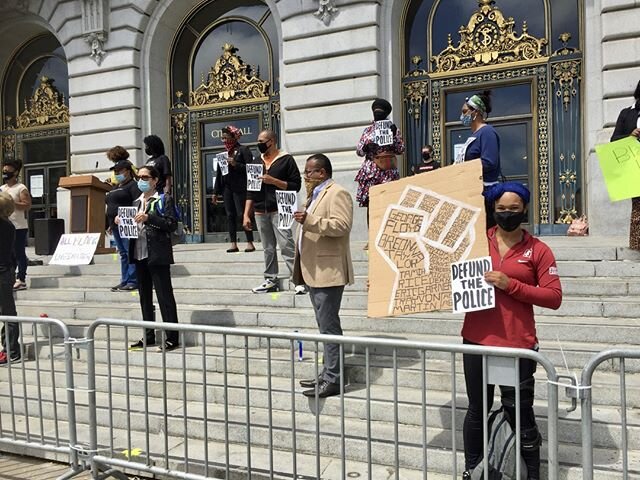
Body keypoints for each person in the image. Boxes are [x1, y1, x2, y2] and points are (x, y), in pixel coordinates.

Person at [460, 182, 562, 480]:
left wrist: (511, 285)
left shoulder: (538, 250)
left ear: (525, 209)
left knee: (520, 413)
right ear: (492, 209)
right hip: (476, 341)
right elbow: (439, 275)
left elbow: (554, 297)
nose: (507, 214)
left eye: (514, 209)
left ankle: (531, 473)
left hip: (517, 345)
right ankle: (473, 469)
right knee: (477, 409)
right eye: (501, 209)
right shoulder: (475, 241)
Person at [293, 154, 354, 398]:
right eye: (305, 171)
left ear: (322, 172)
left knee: (329, 327)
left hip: (328, 271)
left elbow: (342, 225)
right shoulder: (315, 194)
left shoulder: (337, 192)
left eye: (309, 171)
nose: (305, 176)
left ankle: (334, 378)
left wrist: (310, 220)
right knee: (323, 325)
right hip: (313, 271)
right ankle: (328, 372)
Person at [123, 165, 180, 352]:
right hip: (139, 254)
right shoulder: (135, 202)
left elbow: (171, 224)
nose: (141, 180)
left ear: (155, 180)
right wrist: (122, 221)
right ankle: (149, 334)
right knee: (144, 297)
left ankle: (172, 336)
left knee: (164, 296)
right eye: (139, 177)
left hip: (157, 253)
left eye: (145, 177)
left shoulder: (164, 199)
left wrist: (149, 218)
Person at [243, 130, 303, 294]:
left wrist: (273, 181)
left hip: (280, 209)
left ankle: (298, 279)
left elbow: (296, 185)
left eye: (262, 140)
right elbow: (250, 189)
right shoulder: (256, 161)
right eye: (258, 140)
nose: (259, 143)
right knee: (268, 248)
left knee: (286, 244)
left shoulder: (286, 160)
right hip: (260, 211)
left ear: (272, 141)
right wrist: (246, 213)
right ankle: (270, 279)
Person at [355, 98, 405, 227]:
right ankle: (371, 234)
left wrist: (394, 136)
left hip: (388, 170)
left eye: (380, 111)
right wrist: (366, 147)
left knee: (388, 202)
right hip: (371, 170)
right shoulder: (367, 131)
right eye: (375, 111)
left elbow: (400, 149)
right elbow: (359, 151)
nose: (377, 114)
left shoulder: (394, 129)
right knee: (371, 204)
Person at [455, 90, 501, 229]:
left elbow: (490, 162)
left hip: (485, 193)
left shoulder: (487, 132)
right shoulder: (475, 135)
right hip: (474, 191)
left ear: (475, 112)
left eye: (464, 111)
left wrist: (465, 169)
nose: (462, 116)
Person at [212, 125, 256, 253]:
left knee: (242, 214)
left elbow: (251, 168)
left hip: (240, 188)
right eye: (222, 138)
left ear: (233, 136)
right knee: (230, 215)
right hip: (227, 188)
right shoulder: (223, 154)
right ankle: (233, 243)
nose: (224, 140)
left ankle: (250, 242)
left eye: (226, 138)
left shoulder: (243, 150)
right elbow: (219, 174)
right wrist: (215, 192)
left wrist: (235, 164)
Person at [610, 80, 640, 250]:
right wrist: (631, 135)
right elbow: (614, 139)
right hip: (634, 166)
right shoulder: (626, 114)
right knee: (638, 208)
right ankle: (637, 245)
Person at [105, 152, 141, 292]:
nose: (117, 173)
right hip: (115, 225)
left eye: (119, 171)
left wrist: (127, 218)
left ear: (127, 171)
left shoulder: (133, 186)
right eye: (115, 171)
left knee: (129, 251)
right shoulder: (115, 187)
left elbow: (137, 204)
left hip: (127, 224)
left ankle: (133, 280)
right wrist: (109, 224)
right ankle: (125, 279)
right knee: (123, 253)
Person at [1, 160, 31, 291]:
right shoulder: (2, 188)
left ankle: (21, 279)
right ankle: (10, 278)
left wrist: (12, 203)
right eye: (3, 172)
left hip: (19, 226)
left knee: (19, 253)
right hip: (4, 224)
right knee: (8, 253)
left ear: (16, 172)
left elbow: (27, 205)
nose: (5, 174)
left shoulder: (21, 188)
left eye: (7, 172)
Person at [0, 192, 20, 364]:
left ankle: (11, 350)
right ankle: (10, 348)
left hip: (3, 273)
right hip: (6, 272)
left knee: (8, 313)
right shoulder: (9, 225)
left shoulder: (4, 225)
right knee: (7, 312)